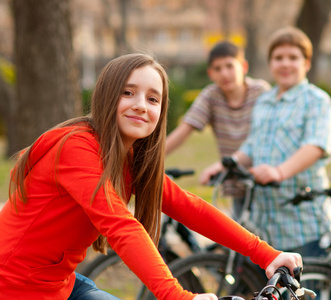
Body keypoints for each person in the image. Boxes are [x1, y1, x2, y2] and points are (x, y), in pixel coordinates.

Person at [0, 53, 302, 300]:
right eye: (128, 93)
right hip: (15, 287)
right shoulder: (75, 147)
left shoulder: (129, 159)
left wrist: (266, 254)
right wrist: (177, 296)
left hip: (59, 283)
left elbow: (188, 206)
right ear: (105, 96)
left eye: (153, 99)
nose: (141, 105)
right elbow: (120, 225)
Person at [200, 26, 331, 257]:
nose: (285, 64)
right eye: (278, 58)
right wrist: (225, 164)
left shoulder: (316, 100)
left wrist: (279, 171)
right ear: (270, 64)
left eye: (293, 58)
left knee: (308, 292)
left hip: (304, 222)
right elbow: (252, 145)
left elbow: (315, 146)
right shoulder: (264, 102)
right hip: (266, 225)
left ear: (307, 63)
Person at [165, 41, 271, 218]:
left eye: (230, 66)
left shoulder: (260, 92)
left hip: (265, 180)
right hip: (235, 180)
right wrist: (149, 159)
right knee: (241, 238)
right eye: (218, 68)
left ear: (244, 67)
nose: (224, 73)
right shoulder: (211, 96)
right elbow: (184, 130)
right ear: (210, 73)